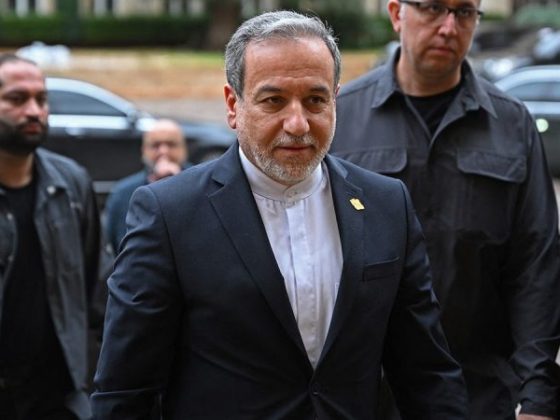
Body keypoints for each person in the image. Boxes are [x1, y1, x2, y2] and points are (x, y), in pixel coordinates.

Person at [91, 11, 468, 419]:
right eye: (274, 101)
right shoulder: (170, 214)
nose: (298, 123)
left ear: (335, 101)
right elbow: (125, 389)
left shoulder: (386, 205)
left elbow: (426, 373)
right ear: (233, 105)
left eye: (315, 100)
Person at [330, 0, 560, 418]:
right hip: (365, 395)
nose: (449, 27)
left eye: (465, 12)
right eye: (433, 8)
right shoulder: (340, 117)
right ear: (396, 13)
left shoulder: (512, 124)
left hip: (480, 393)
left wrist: (538, 397)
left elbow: (536, 267)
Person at [0, 54, 103, 419]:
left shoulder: (71, 183)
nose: (34, 111)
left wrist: (91, 378)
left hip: (58, 397)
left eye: (41, 99)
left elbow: (97, 289)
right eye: (17, 99)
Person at [104, 118, 188, 252]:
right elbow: (114, 245)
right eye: (155, 145)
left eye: (171, 144)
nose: (163, 151)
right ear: (144, 150)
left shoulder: (203, 186)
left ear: (183, 149)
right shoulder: (123, 194)